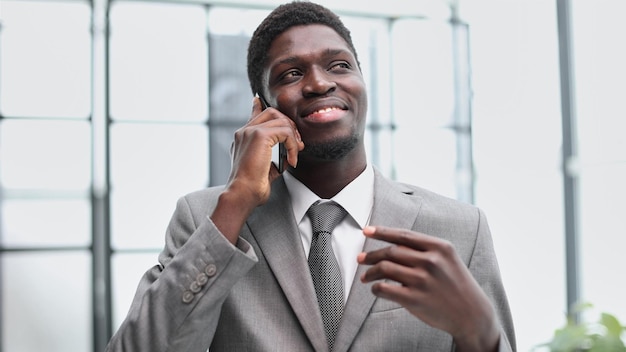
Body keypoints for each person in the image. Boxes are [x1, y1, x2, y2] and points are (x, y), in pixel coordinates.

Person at [106, 1, 516, 351]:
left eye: (339, 65)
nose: (320, 83)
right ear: (262, 108)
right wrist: (236, 200)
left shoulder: (460, 229)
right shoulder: (207, 220)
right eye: (290, 74)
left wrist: (480, 334)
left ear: (361, 83)